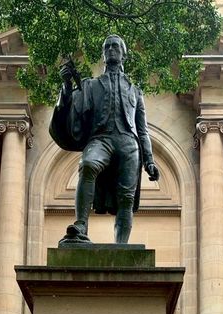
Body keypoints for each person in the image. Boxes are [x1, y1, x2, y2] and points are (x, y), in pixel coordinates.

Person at [49, 34, 160, 245]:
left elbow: (142, 129)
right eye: (107, 46)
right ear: (103, 53)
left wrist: (150, 161)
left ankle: (122, 246)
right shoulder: (91, 85)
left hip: (128, 142)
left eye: (115, 46)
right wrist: (65, 85)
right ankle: (81, 225)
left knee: (125, 198)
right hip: (101, 139)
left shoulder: (135, 91)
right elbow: (72, 107)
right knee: (88, 164)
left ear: (123, 54)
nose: (111, 49)